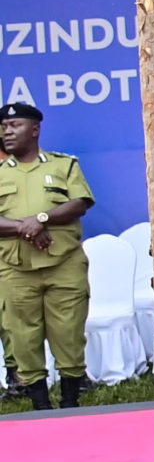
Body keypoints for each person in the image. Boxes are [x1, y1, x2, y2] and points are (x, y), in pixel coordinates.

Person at [0, 101, 93, 410]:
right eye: (4, 127)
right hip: (16, 268)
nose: (7, 131)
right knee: (23, 338)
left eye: (15, 126)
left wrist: (40, 219)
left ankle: (70, 401)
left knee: (68, 333)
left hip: (63, 264)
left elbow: (79, 203)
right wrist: (25, 227)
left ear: (35, 129)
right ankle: (40, 405)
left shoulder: (63, 165)